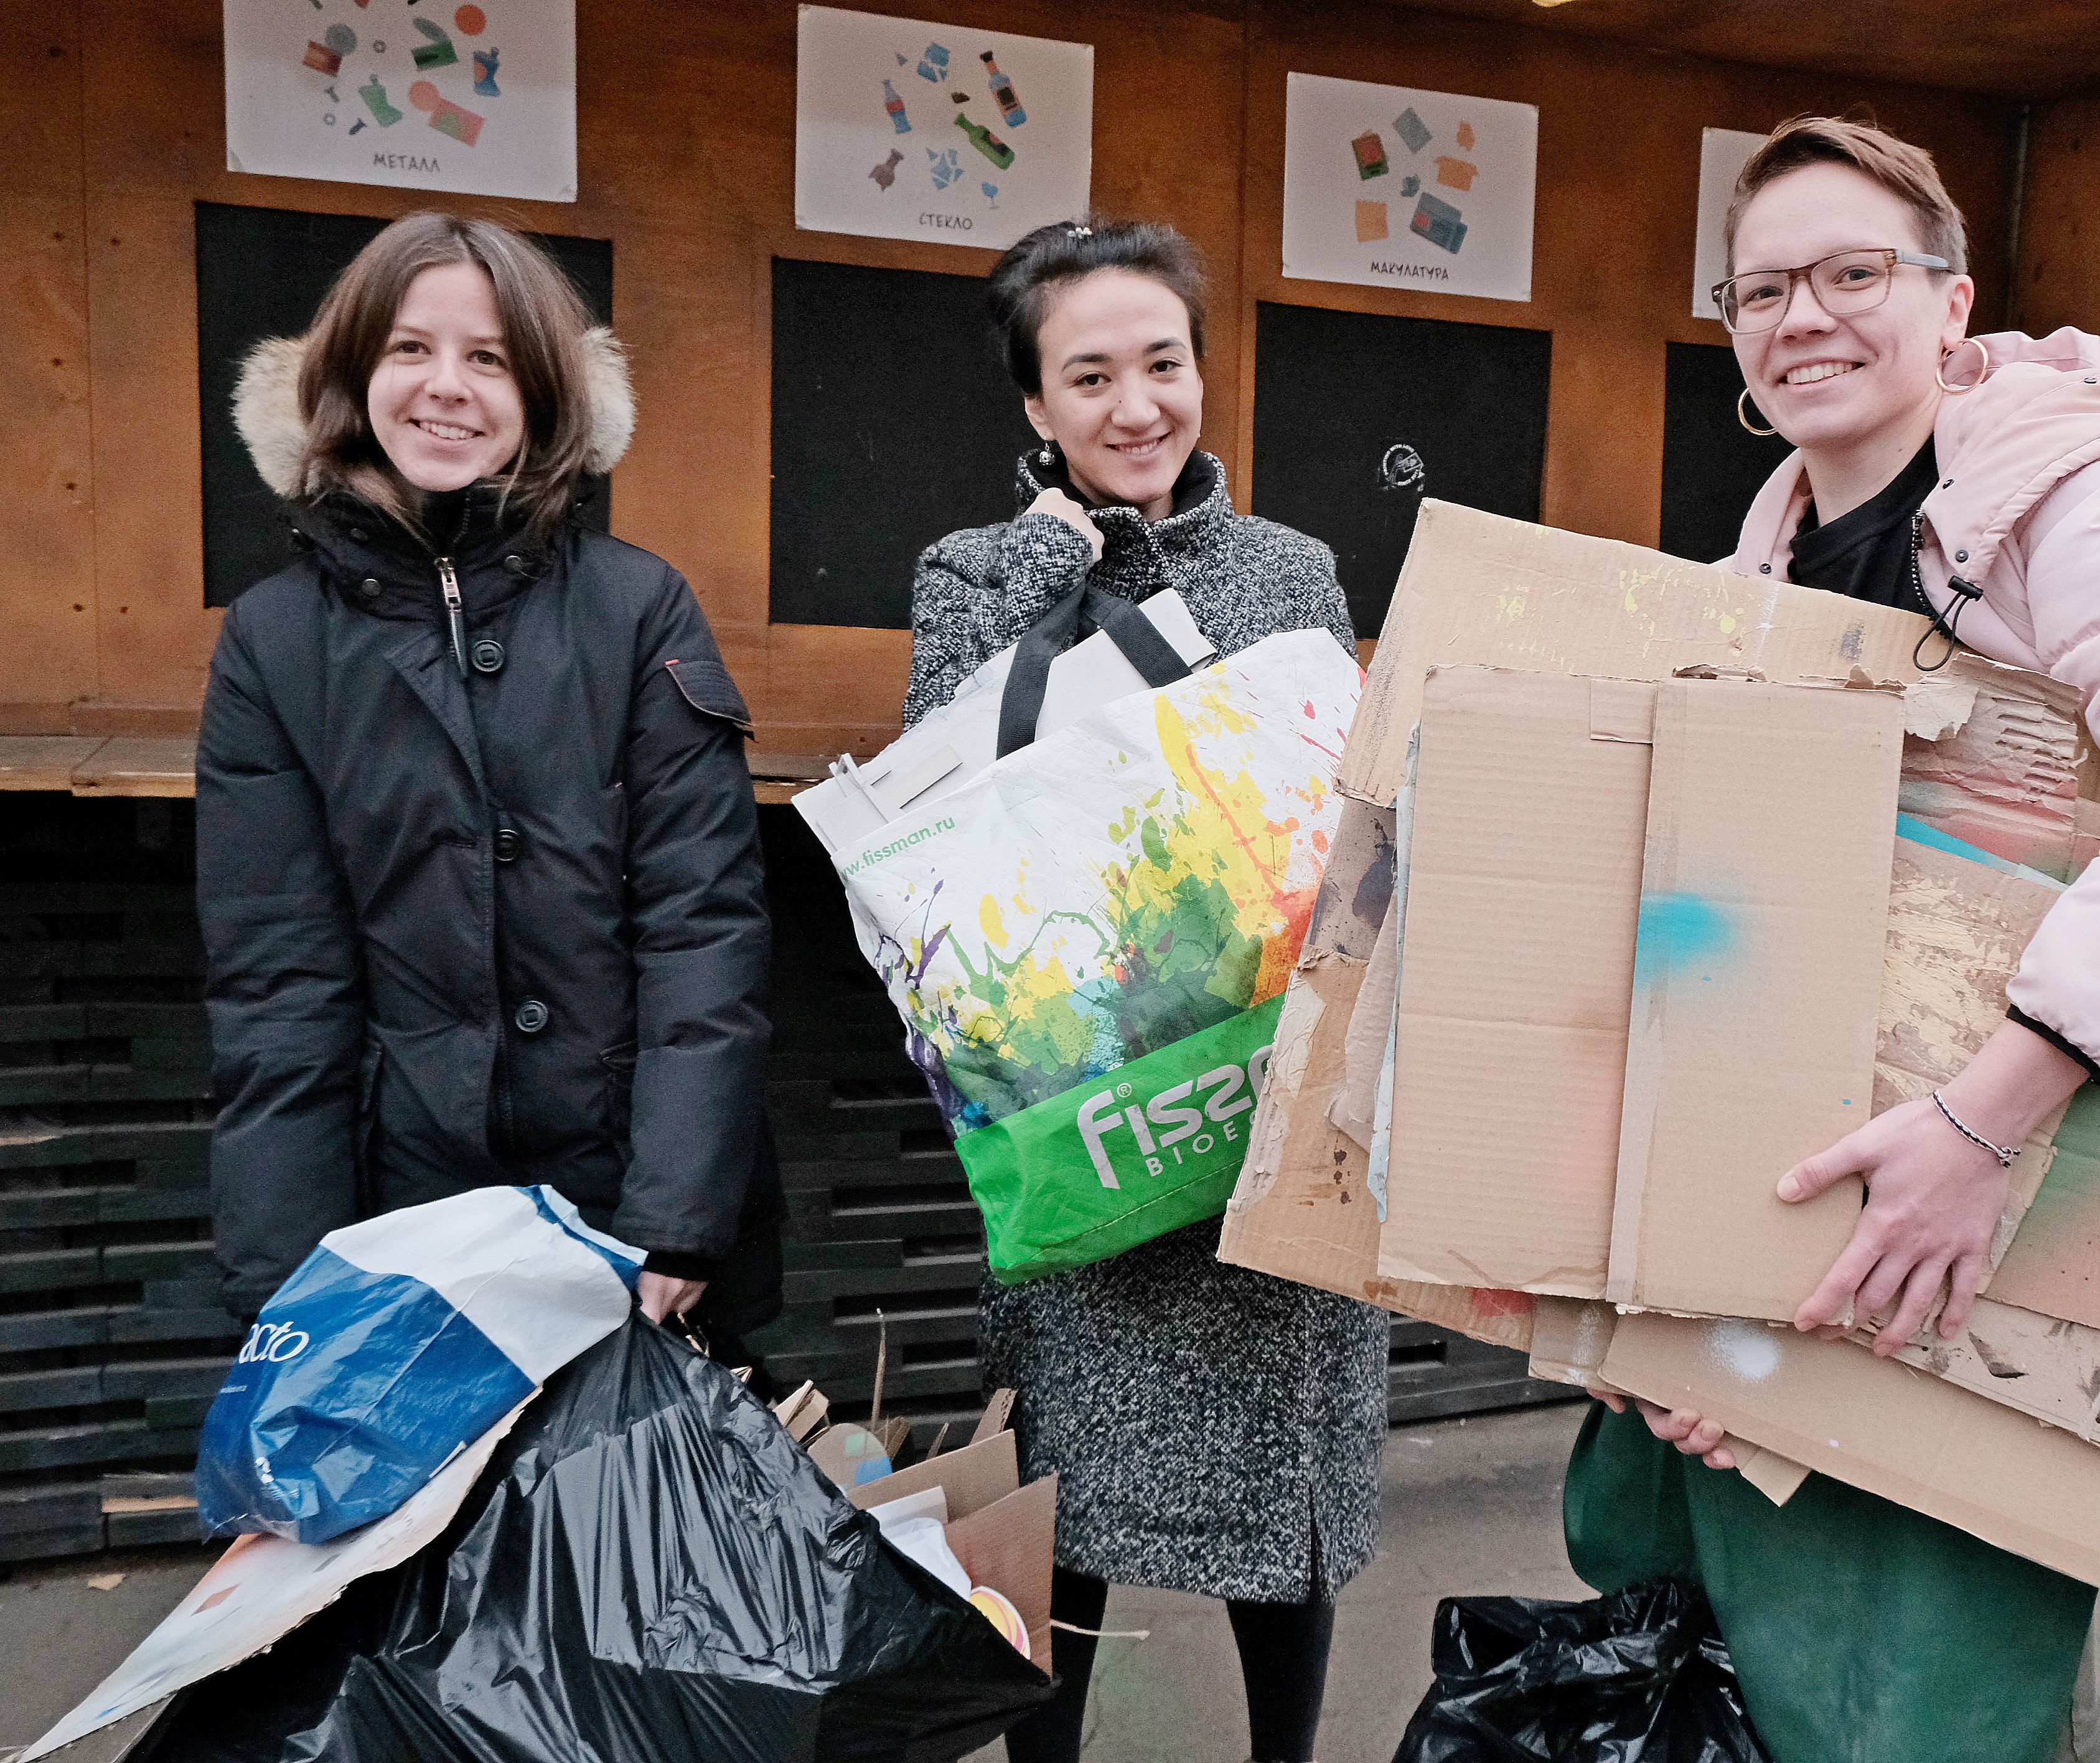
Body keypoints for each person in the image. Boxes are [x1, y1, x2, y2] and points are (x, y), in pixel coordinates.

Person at [1568, 117, 2100, 1763]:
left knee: (1945, 1704)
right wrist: (1685, 1303)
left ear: (1952, 301)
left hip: (2006, 1215)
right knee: (1788, 1696)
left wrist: (1989, 1117)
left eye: (1854, 272)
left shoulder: (2065, 504)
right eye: (1765, 288)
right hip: (1827, 1256)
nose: (1806, 317)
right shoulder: (1763, 556)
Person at [902, 218, 1384, 1763]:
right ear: (1034, 407)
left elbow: (1346, 814)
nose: (1135, 407)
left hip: (1262, 1091)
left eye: (1161, 364)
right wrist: (1057, 580)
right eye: (1088, 376)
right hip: (1096, 1096)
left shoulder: (1291, 569)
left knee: (1283, 1498)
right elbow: (942, 825)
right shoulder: (974, 576)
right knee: (1073, 1495)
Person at [200, 213, 783, 1350]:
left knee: (651, 1528)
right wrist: (291, 1281)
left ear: (545, 390)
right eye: (409, 349)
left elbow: (701, 925)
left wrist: (677, 1217)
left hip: (631, 1203)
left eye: (490, 357)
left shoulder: (637, 605)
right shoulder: (274, 641)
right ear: (353, 373)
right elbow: (279, 981)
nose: (446, 388)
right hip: (404, 1212)